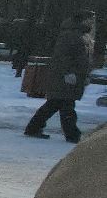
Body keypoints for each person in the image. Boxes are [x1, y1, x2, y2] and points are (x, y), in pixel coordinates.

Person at [24, 10, 95, 143]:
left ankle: (33, 128)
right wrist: (68, 73)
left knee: (54, 104)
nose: (92, 22)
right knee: (66, 105)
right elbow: (61, 57)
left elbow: (84, 60)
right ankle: (73, 135)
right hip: (64, 78)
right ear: (82, 20)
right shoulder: (70, 35)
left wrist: (84, 76)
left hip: (72, 77)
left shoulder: (83, 36)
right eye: (90, 19)